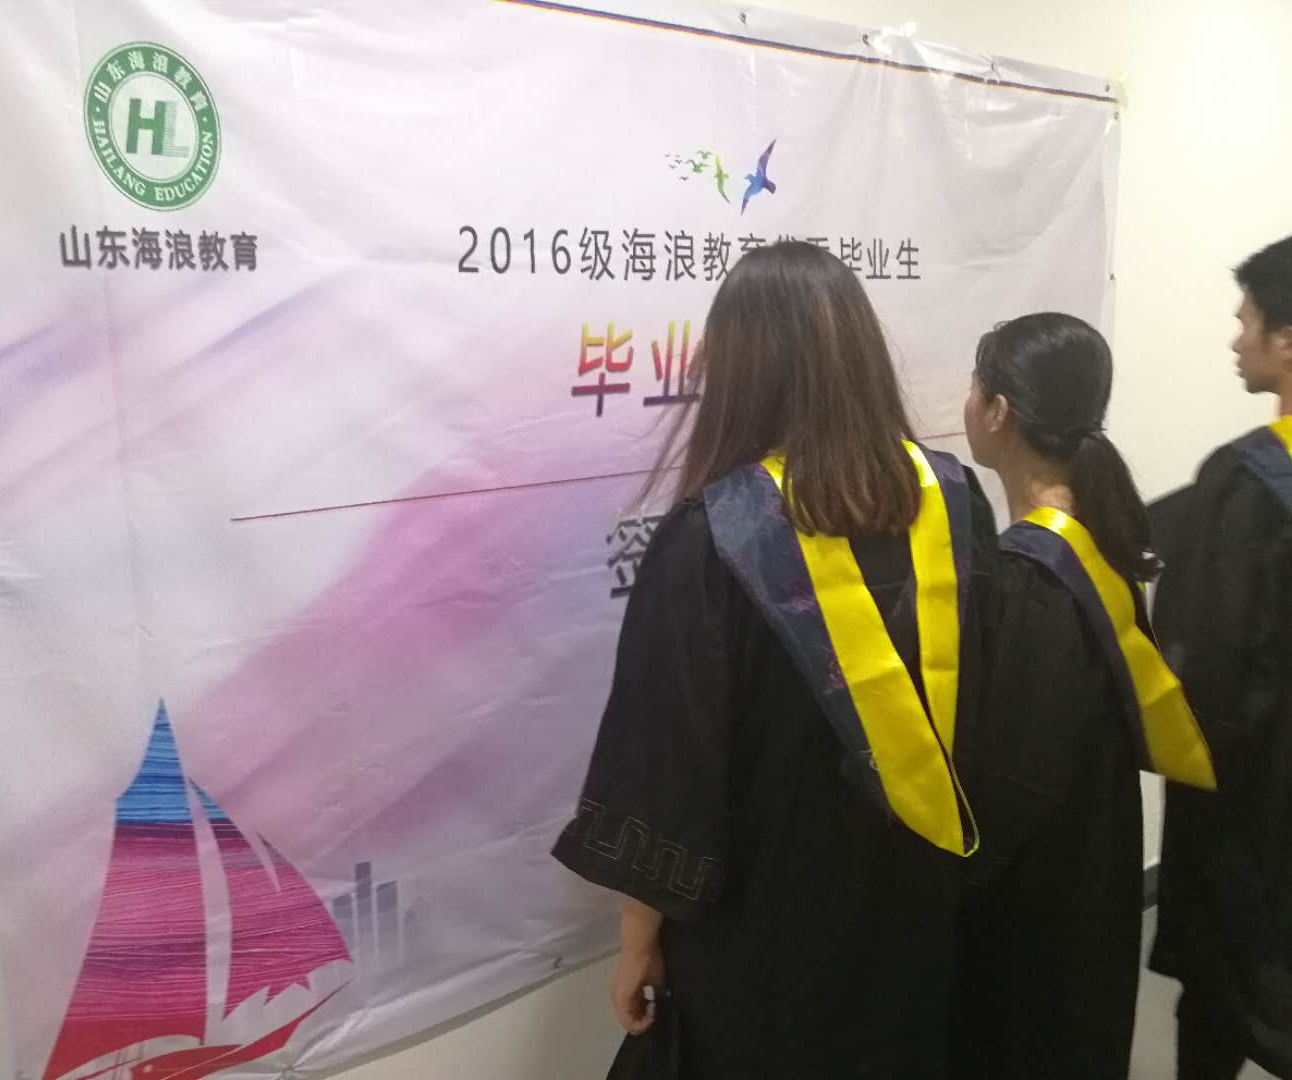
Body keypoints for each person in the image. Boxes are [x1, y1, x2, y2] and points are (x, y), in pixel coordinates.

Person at [551, 241, 997, 1079]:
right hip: (914, 899)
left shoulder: (712, 539)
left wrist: (638, 939)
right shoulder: (956, 501)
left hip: (764, 926)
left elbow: (668, 768)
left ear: (740, 371)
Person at [951, 313, 1215, 1080]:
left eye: (975, 385)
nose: (967, 401)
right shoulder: (1094, 536)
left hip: (1037, 903)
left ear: (998, 412)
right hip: (1089, 861)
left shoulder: (1032, 577)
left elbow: (1013, 780)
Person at [1150, 235, 1292, 1080]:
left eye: (1248, 322)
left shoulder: (1248, 484)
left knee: (1223, 990)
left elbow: (1204, 667)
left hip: (1254, 808)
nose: (1236, 341)